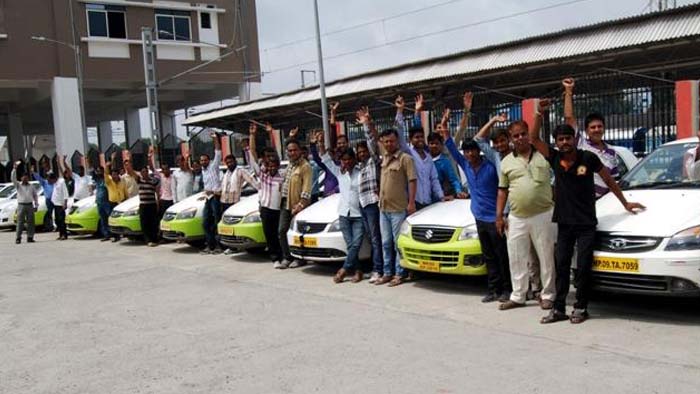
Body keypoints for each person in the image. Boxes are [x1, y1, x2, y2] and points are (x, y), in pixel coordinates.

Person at [530, 99, 645, 324]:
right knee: (561, 267)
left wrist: (625, 203)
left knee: (583, 267)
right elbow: (534, 139)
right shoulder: (554, 158)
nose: (564, 142)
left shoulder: (588, 158)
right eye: (560, 140)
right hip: (564, 223)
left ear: (574, 139)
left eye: (567, 138)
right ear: (557, 142)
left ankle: (581, 308)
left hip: (585, 224)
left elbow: (609, 181)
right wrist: (538, 113)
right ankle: (559, 308)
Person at [474, 110, 543, 301]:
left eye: (504, 141)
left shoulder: (526, 155)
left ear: (510, 140)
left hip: (529, 209)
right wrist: (494, 119)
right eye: (497, 142)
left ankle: (536, 288)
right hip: (507, 211)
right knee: (514, 253)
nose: (500, 145)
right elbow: (479, 139)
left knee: (533, 253)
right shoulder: (496, 157)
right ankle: (517, 289)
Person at [441, 124, 511, 303]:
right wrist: (446, 133)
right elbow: (451, 150)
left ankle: (507, 289)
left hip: (495, 218)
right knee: (488, 256)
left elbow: (503, 190)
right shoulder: (465, 164)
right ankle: (493, 289)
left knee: (501, 256)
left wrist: (501, 215)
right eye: (467, 152)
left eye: (472, 151)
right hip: (479, 218)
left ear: (478, 151)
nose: (469, 155)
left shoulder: (492, 166)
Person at [495, 120, 557, 311]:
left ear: (528, 134)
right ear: (511, 139)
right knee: (516, 256)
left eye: (523, 134)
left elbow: (558, 182)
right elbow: (502, 191)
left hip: (543, 214)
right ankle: (518, 295)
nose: (520, 138)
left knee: (546, 256)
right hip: (517, 217)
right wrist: (499, 216)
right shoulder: (506, 162)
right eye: (516, 136)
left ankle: (547, 295)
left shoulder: (543, 154)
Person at [563, 77, 633, 198]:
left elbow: (613, 181)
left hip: (602, 203)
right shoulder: (580, 144)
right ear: (586, 130)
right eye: (593, 127)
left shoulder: (612, 152)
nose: (596, 130)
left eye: (599, 126)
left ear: (604, 128)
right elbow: (569, 118)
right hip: (581, 201)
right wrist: (568, 92)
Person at [316, 131, 365, 283]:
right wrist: (320, 143)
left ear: (354, 160)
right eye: (343, 160)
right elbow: (325, 159)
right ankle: (358, 271)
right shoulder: (339, 173)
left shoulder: (361, 173)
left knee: (356, 243)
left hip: (358, 215)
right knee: (351, 245)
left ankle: (343, 270)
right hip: (344, 214)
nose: (346, 163)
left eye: (349, 159)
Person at [377, 128, 417, 287]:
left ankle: (399, 273)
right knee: (385, 242)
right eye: (386, 141)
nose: (388, 144)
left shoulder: (405, 159)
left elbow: (412, 181)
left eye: (391, 141)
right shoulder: (385, 158)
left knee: (397, 243)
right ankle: (387, 273)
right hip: (383, 208)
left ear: (398, 141)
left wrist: (411, 202)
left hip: (398, 209)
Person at [395, 94, 445, 210]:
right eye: (416, 137)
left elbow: (434, 179)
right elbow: (399, 133)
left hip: (428, 202)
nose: (420, 140)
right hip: (413, 203)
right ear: (411, 140)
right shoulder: (408, 153)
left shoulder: (429, 158)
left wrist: (441, 196)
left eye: (422, 137)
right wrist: (400, 110)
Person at [248, 123, 285, 267]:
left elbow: (276, 153)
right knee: (269, 235)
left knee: (280, 233)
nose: (270, 167)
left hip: (279, 210)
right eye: (268, 164)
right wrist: (252, 135)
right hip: (265, 209)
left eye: (273, 165)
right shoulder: (262, 174)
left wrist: (271, 133)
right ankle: (275, 258)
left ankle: (285, 256)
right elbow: (252, 153)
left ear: (277, 165)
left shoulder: (281, 175)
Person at [356, 106, 386, 284]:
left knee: (377, 239)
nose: (362, 154)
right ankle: (375, 268)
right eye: (359, 153)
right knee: (372, 238)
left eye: (363, 152)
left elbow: (372, 142)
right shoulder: (359, 167)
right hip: (363, 204)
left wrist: (366, 124)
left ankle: (378, 269)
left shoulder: (373, 161)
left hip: (373, 203)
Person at [278, 138, 313, 268]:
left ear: (300, 151)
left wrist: (300, 205)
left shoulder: (305, 166)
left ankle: (300, 259)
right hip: (285, 204)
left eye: (294, 150)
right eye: (290, 150)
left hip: (298, 206)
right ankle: (287, 257)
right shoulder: (290, 165)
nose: (292, 153)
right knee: (282, 231)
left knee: (298, 234)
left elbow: (306, 188)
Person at [220, 151, 256, 254]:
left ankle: (237, 247)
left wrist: (260, 190)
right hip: (225, 201)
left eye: (231, 162)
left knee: (235, 226)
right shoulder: (226, 173)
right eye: (227, 162)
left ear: (235, 161)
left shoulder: (240, 171)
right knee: (228, 226)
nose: (229, 164)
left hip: (236, 202)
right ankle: (231, 246)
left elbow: (251, 181)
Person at [125, 147, 160, 247]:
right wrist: (129, 159)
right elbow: (131, 171)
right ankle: (148, 240)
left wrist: (150, 158)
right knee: (145, 224)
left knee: (153, 223)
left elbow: (157, 192)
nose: (144, 173)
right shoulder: (140, 180)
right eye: (142, 172)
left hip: (152, 204)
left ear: (147, 172)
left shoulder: (153, 181)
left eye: (145, 171)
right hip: (144, 205)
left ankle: (154, 239)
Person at [428, 113, 463, 199]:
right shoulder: (424, 158)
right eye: (431, 143)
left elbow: (454, 180)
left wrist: (458, 191)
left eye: (436, 143)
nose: (434, 146)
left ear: (441, 145)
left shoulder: (445, 159)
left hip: (444, 196)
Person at [200, 132, 224, 254]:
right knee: (205, 223)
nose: (203, 162)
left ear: (209, 160)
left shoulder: (213, 166)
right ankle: (210, 246)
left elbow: (218, 152)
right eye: (201, 160)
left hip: (215, 197)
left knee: (216, 222)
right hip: (208, 199)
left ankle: (219, 246)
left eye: (205, 160)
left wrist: (215, 139)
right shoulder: (203, 171)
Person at [12, 161, 38, 244]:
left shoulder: (31, 186)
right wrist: (14, 169)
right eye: (24, 177)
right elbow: (13, 179)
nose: (25, 179)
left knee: (31, 222)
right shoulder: (18, 185)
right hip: (21, 205)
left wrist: (36, 204)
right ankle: (18, 237)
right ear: (21, 178)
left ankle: (30, 237)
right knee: (20, 222)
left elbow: (35, 195)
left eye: (26, 177)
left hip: (30, 205)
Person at [104, 153, 129, 242]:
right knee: (113, 220)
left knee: (122, 219)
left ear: (118, 175)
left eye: (115, 174)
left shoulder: (122, 181)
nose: (114, 176)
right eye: (113, 174)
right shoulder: (109, 182)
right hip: (113, 202)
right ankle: (115, 236)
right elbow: (106, 174)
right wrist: (108, 164)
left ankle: (124, 233)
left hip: (121, 202)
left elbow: (125, 191)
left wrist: (127, 200)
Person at [32, 164, 55, 230]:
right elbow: (39, 178)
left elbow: (52, 174)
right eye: (47, 177)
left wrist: (47, 169)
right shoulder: (45, 183)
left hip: (55, 199)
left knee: (56, 213)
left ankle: (57, 225)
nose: (48, 179)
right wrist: (33, 172)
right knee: (50, 213)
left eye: (49, 177)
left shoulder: (54, 182)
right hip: (48, 200)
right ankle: (52, 226)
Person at [51, 171, 69, 240]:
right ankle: (60, 234)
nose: (51, 182)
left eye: (51, 180)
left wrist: (65, 203)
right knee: (57, 220)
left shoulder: (61, 182)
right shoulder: (55, 183)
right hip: (55, 204)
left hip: (60, 204)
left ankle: (64, 234)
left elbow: (65, 193)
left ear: (54, 178)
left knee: (61, 221)